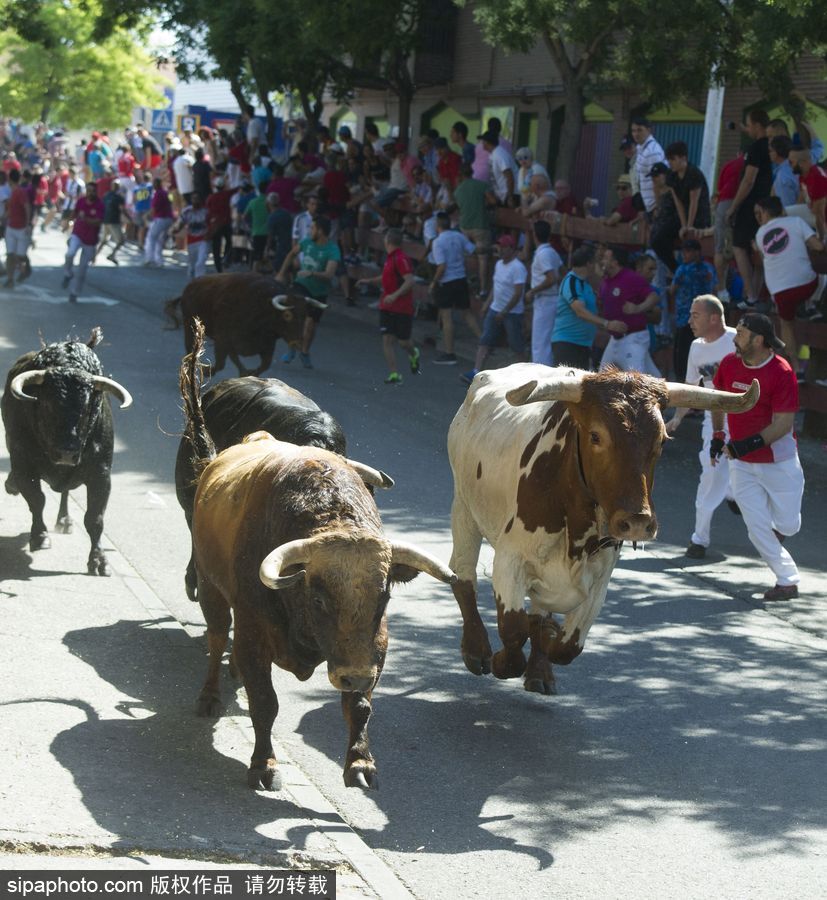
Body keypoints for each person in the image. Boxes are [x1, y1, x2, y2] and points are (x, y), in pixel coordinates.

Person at [712, 314, 804, 601]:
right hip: (741, 465)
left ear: (758, 339)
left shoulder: (782, 371)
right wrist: (718, 436)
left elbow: (783, 424)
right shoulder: (729, 364)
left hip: (780, 462)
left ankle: (776, 535)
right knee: (756, 529)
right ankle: (787, 581)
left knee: (789, 525)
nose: (734, 337)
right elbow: (717, 400)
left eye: (740, 333)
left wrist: (746, 444)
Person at [666, 295, 738, 558]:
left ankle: (733, 494)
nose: (689, 321)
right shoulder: (696, 347)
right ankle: (699, 539)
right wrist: (677, 417)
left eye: (695, 315)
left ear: (714, 318)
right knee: (709, 474)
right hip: (714, 421)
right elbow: (689, 387)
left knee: (753, 475)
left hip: (745, 419)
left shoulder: (736, 340)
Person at [754, 195, 824, 370]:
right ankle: (811, 305)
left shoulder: (760, 234)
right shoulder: (796, 222)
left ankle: (795, 367)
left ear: (763, 213)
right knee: (822, 278)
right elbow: (818, 247)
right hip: (806, 285)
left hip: (779, 292)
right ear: (782, 210)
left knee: (786, 324)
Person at [461, 234, 528, 384]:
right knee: (485, 340)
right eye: (499, 246)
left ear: (511, 249)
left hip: (512, 313)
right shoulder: (499, 264)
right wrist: (487, 305)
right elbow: (495, 287)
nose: (500, 250)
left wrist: (504, 311)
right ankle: (476, 372)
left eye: (504, 247)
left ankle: (525, 375)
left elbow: (518, 293)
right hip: (495, 308)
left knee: (516, 344)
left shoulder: (518, 268)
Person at [357, 229, 420, 384]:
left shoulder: (400, 258)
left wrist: (395, 295)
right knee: (387, 339)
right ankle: (394, 374)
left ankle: (414, 353)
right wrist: (369, 281)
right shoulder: (390, 259)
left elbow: (410, 280)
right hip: (387, 306)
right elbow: (386, 277)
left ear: (388, 241)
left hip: (402, 307)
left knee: (403, 342)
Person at [277, 214, 340, 369]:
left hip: (319, 291)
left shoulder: (332, 249)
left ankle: (304, 352)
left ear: (320, 231)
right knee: (295, 316)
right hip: (301, 285)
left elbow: (329, 274)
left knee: (311, 323)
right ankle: (292, 347)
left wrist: (312, 273)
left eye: (312, 228)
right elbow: (291, 254)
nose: (309, 231)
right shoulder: (306, 242)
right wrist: (281, 273)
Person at [552, 244, 627, 368]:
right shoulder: (572, 281)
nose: (600, 265)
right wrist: (607, 324)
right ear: (589, 264)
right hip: (568, 344)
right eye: (597, 262)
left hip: (582, 345)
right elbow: (580, 311)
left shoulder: (584, 284)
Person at [727, 109, 773, 309]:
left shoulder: (755, 149)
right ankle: (754, 295)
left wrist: (733, 207)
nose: (748, 129)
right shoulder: (772, 147)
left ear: (756, 124)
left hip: (750, 204)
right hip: (767, 204)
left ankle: (751, 294)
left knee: (739, 246)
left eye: (749, 124)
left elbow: (748, 180)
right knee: (761, 248)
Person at [598, 246, 661, 373]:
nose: (602, 261)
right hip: (614, 339)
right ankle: (665, 390)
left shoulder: (631, 278)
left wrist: (638, 308)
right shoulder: (606, 281)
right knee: (601, 380)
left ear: (614, 262)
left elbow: (653, 297)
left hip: (633, 338)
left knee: (635, 381)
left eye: (606, 258)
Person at [428, 212, 480, 364]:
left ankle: (449, 352)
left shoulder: (437, 242)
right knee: (467, 313)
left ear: (437, 226)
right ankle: (484, 341)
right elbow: (472, 249)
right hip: (460, 278)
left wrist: (433, 282)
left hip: (447, 282)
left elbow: (442, 266)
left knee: (447, 316)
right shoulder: (458, 236)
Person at [669, 239, 716, 382]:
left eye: (688, 251)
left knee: (684, 354)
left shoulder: (683, 269)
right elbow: (714, 288)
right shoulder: (708, 268)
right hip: (699, 317)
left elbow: (672, 290)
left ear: (697, 252)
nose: (685, 254)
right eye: (684, 251)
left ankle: (686, 380)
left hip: (686, 317)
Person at [453, 163, 496, 298]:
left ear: (460, 175)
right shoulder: (481, 185)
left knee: (466, 256)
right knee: (483, 258)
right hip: (481, 226)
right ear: (472, 172)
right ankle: (483, 290)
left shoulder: (458, 190)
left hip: (465, 227)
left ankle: (466, 285)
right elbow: (493, 201)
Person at [525, 219, 563, 366]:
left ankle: (540, 376)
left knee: (540, 341)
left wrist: (532, 291)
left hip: (545, 299)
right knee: (545, 340)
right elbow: (561, 273)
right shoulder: (551, 252)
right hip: (551, 298)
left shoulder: (544, 254)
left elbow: (551, 278)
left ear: (535, 235)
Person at [62, 181, 103, 303]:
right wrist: (67, 223)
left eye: (93, 191)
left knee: (82, 270)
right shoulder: (81, 201)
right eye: (89, 190)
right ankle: (68, 273)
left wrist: (86, 219)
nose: (90, 193)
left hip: (90, 240)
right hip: (77, 234)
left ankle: (74, 293)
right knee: (70, 253)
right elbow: (74, 213)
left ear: (96, 192)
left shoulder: (100, 205)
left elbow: (98, 221)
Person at [631, 116, 666, 216]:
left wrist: (658, 207)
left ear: (649, 130)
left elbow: (659, 182)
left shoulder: (652, 151)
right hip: (649, 205)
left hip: (655, 206)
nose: (636, 134)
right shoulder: (641, 148)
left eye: (639, 130)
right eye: (633, 131)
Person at [3, 168, 31, 288]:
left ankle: (27, 268)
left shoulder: (20, 192)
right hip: (11, 227)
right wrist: (3, 218)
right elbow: (10, 209)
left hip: (21, 228)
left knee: (19, 256)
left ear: (9, 179)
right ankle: (10, 279)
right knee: (10, 255)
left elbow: (27, 207)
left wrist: (28, 224)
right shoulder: (11, 192)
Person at [173, 192, 210, 281]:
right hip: (191, 241)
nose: (195, 201)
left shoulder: (206, 211)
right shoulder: (187, 211)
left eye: (197, 199)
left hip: (203, 240)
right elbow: (180, 223)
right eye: (193, 199)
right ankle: (192, 280)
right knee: (192, 264)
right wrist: (174, 230)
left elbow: (211, 224)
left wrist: (209, 235)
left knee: (200, 262)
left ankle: (200, 281)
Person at [144, 177, 173, 268]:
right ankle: (159, 260)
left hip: (161, 218)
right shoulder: (164, 193)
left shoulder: (158, 194)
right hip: (168, 218)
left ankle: (150, 259)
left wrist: (146, 216)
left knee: (151, 237)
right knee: (159, 240)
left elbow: (154, 208)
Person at [98, 178, 126, 265]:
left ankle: (94, 256)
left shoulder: (106, 195)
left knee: (104, 240)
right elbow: (122, 209)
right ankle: (112, 254)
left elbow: (101, 206)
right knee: (121, 241)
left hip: (105, 220)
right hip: (114, 221)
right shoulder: (119, 197)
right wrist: (129, 218)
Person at [244, 181, 271, 272]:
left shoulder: (253, 202)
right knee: (269, 255)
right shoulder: (269, 202)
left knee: (256, 256)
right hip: (269, 233)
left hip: (256, 232)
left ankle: (254, 277)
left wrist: (250, 225)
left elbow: (245, 216)